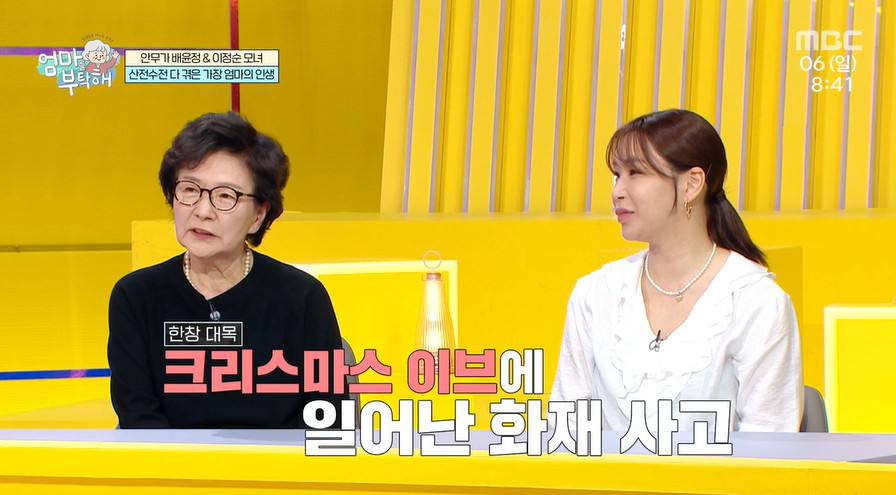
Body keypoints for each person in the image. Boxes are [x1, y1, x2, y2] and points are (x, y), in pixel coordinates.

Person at [549, 109, 803, 432]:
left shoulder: (755, 300)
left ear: (691, 183)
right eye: (617, 175)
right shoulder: (596, 293)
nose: (617, 191)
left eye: (635, 173)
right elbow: (565, 428)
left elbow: (771, 442)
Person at [108, 111, 347, 428]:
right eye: (190, 190)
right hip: (171, 461)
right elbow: (139, 422)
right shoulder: (136, 297)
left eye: (225, 196)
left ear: (258, 215)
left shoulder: (302, 298)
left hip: (280, 460)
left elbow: (328, 417)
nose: (203, 211)